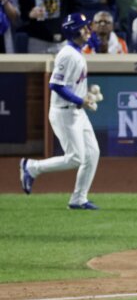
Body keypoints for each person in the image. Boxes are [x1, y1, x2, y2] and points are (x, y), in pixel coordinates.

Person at [20, 13, 101, 210]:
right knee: (75, 158)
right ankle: (31, 167)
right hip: (64, 112)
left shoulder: (77, 52)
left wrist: (86, 95)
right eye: (83, 27)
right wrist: (80, 99)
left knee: (93, 153)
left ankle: (78, 199)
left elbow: (72, 84)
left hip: (76, 112)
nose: (88, 30)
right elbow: (55, 85)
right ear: (73, 30)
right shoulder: (67, 54)